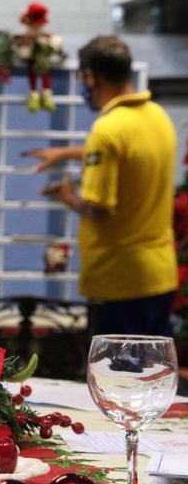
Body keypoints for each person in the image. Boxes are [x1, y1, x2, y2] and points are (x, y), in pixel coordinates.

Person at [32, 35, 177, 336]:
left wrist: (67, 196)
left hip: (118, 280)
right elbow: (129, 157)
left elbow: (100, 209)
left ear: (91, 76)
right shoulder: (157, 117)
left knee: (116, 379)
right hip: (160, 274)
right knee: (153, 376)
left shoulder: (107, 129)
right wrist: (68, 152)